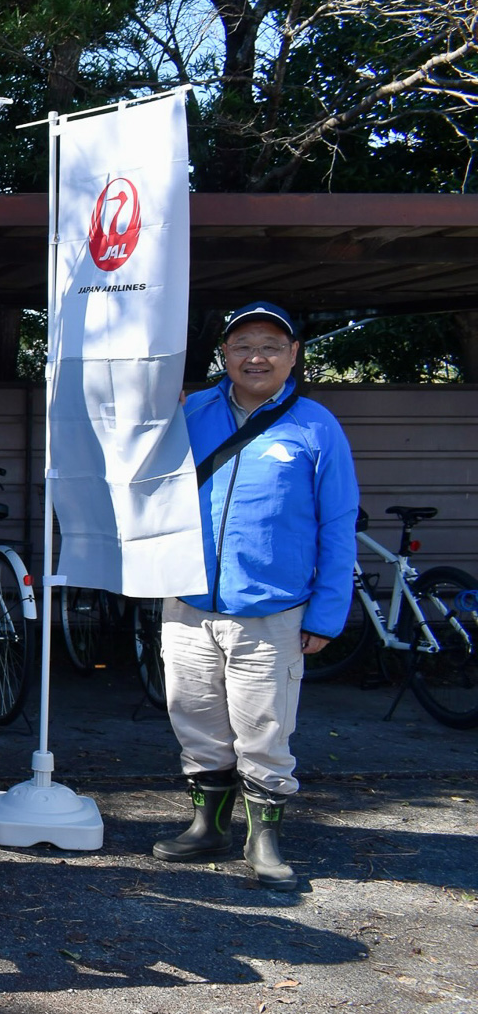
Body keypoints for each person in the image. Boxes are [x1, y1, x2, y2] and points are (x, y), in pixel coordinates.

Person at [155, 301, 358, 890]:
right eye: (242, 346)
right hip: (189, 602)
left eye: (271, 344)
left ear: (293, 355)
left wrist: (326, 613)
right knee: (194, 717)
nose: (256, 356)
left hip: (273, 610)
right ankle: (206, 825)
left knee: (264, 727)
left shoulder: (316, 425)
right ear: (225, 355)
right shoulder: (192, 413)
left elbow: (338, 523)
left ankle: (263, 837)